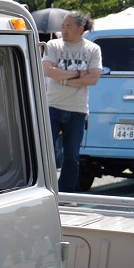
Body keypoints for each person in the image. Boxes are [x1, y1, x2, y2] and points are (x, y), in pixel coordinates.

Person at [42, 10, 103, 193]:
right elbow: (48, 71)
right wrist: (77, 74)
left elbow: (93, 78)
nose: (64, 30)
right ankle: (46, 190)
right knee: (47, 152)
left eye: (68, 26)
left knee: (71, 156)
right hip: (52, 106)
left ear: (80, 28)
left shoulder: (92, 49)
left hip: (77, 109)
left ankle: (65, 193)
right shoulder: (54, 45)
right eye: (63, 26)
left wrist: (63, 78)